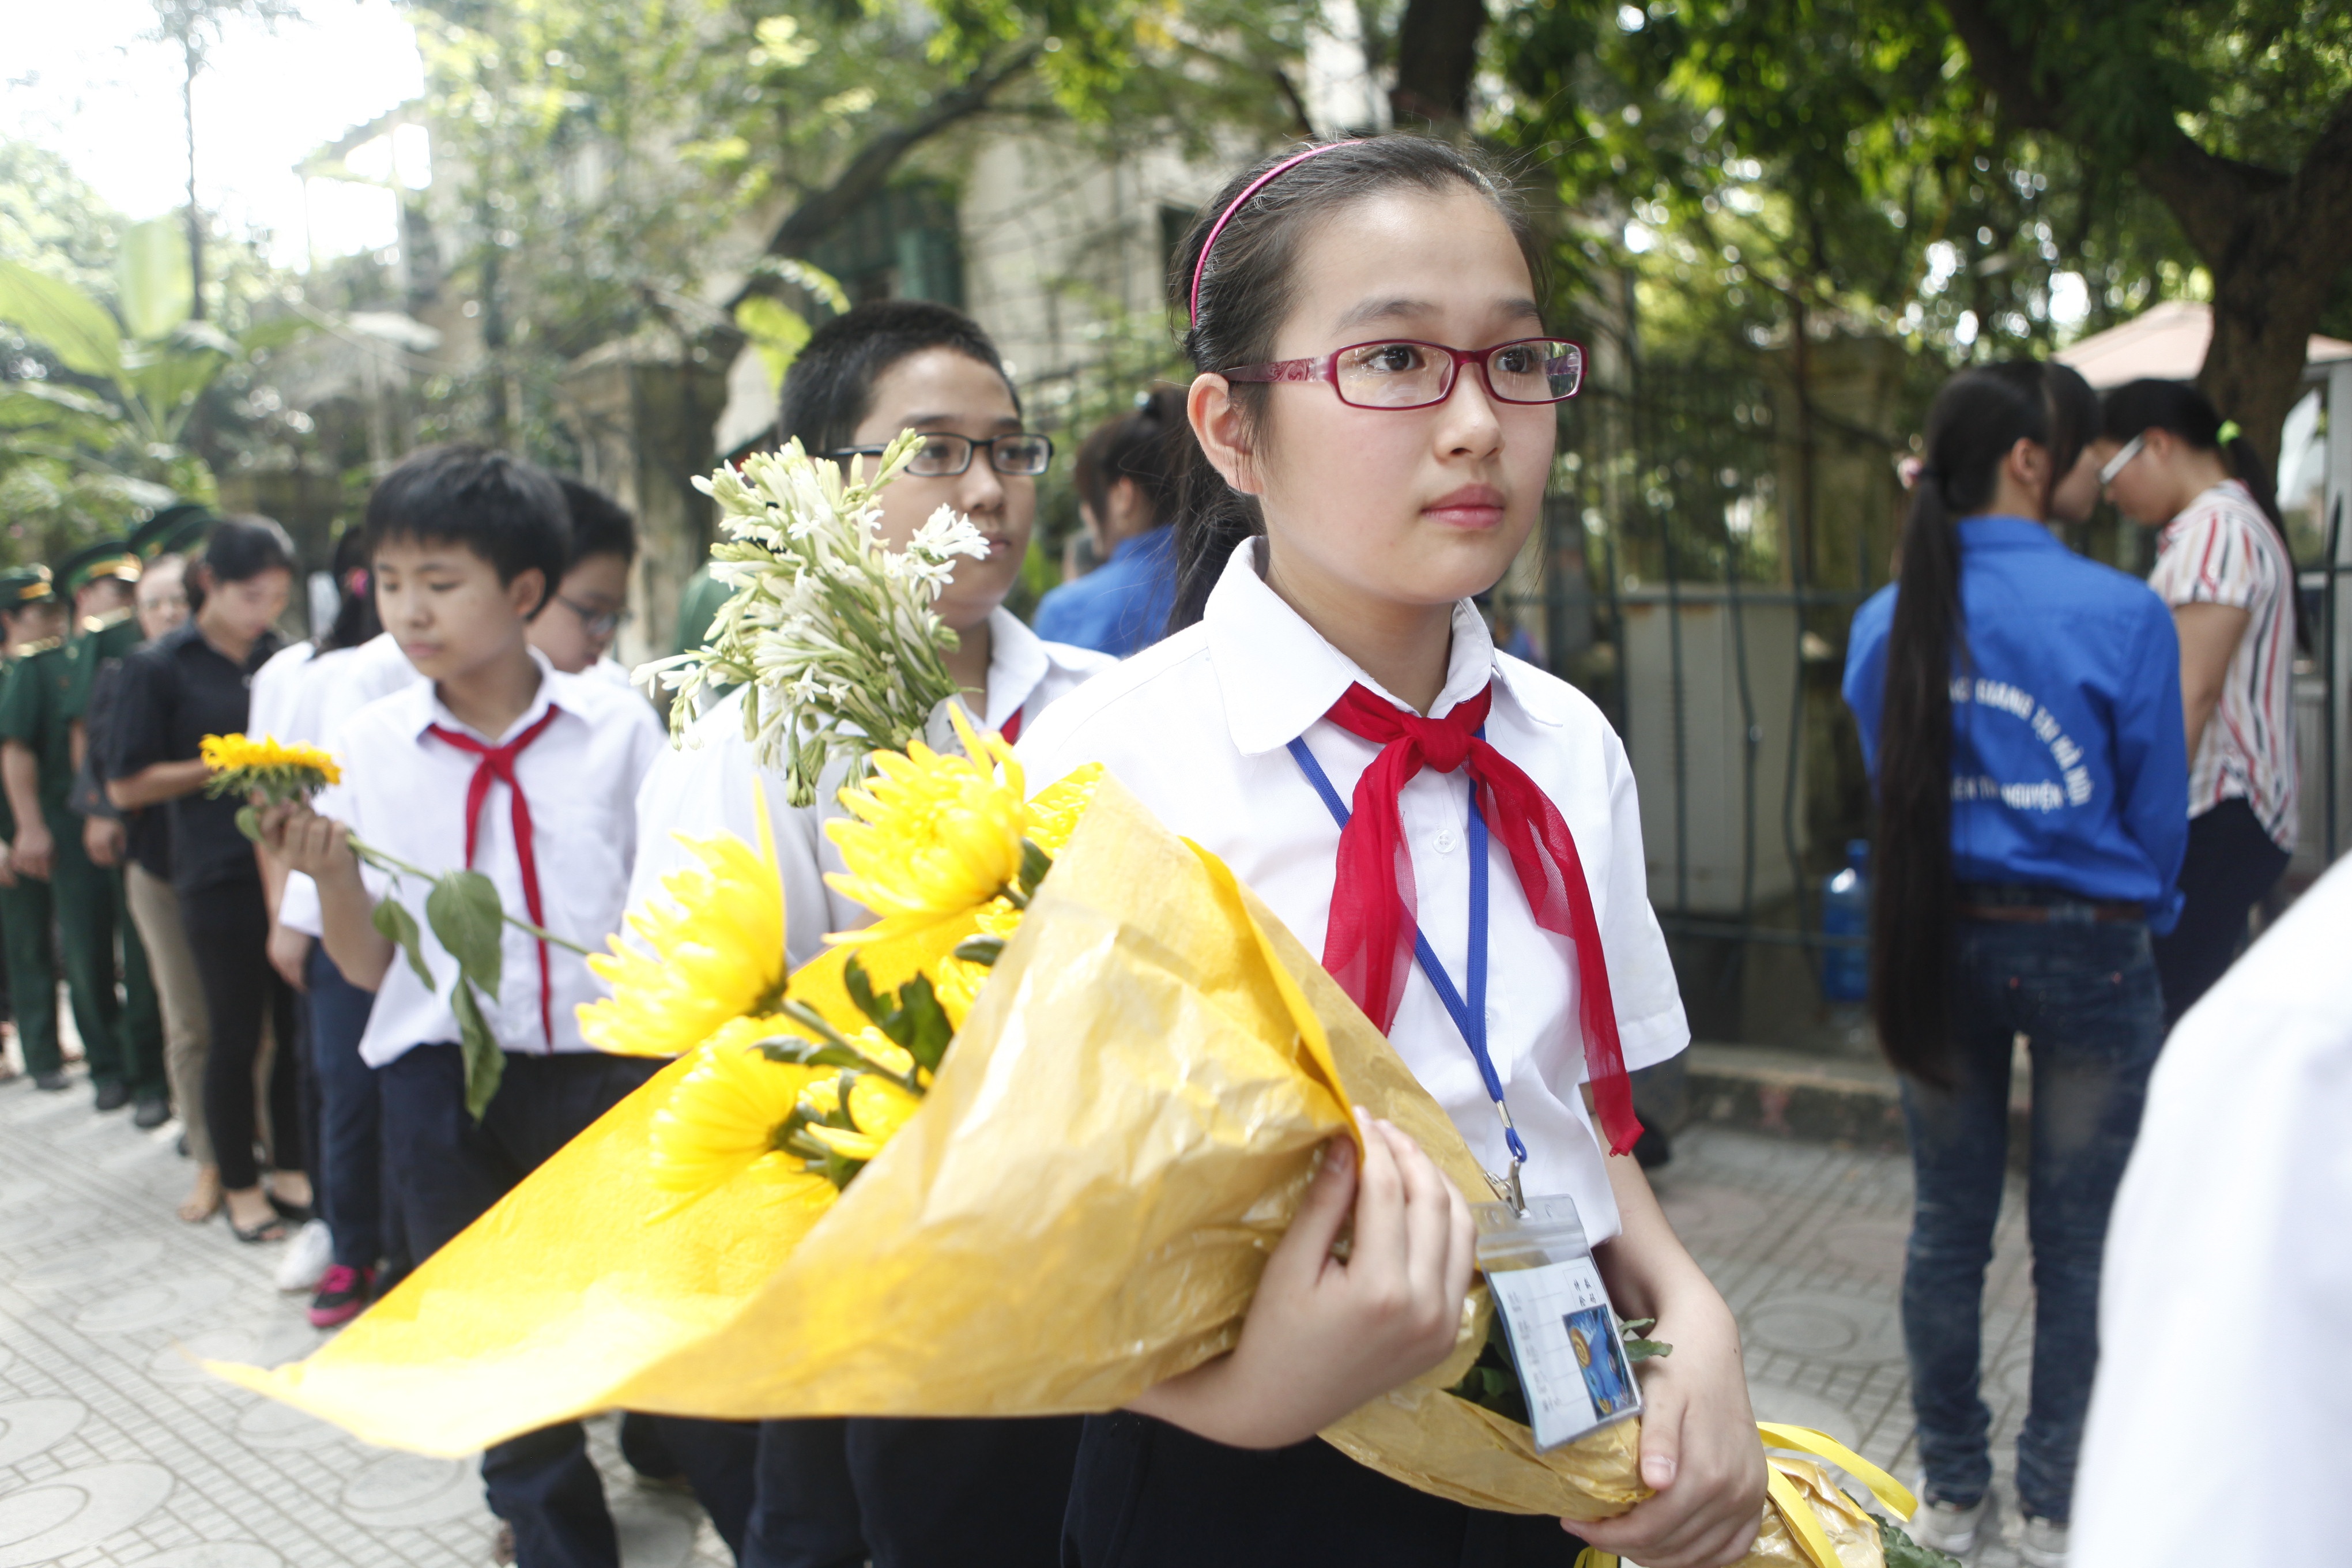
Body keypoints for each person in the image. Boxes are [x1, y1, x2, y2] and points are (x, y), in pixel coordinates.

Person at [1020, 136, 1763, 1568]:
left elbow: (1571, 1120)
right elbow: (1028, 1243)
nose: (1477, 421)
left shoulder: (1566, 747)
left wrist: (1692, 1311)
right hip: (1227, 1487)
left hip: (1542, 1440)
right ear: (1232, 430)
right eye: (1396, 363)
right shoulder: (1096, 771)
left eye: (1513, 359)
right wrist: (1241, 1401)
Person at [624, 297, 1113, 1568]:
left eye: (1010, 449)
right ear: (821, 486)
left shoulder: (1114, 708)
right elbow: (711, 1051)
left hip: (1110, 1279)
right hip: (874, 1311)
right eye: (934, 450)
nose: (991, 488)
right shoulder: (752, 743)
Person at [261, 444, 741, 1568]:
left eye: (440, 581)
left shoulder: (619, 727)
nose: (408, 610)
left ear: (525, 593)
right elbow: (372, 969)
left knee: (649, 1297)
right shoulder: (367, 748)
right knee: (492, 1321)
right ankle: (554, 1529)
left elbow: (671, 905)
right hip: (442, 1074)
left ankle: (720, 1480)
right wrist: (329, 877)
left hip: (605, 1064)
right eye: (388, 581)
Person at [1842, 363, 2187, 1567]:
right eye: (2085, 452)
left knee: (1948, 1230)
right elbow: (2157, 819)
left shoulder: (1889, 622)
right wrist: (2146, 912)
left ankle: (1949, 1494)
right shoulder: (2121, 610)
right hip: (2090, 954)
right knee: (2080, 1243)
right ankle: (2048, 1509)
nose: (2096, 471)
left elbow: (1888, 793)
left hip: (1936, 946)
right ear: (2030, 461)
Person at [2067, 855, 2351, 1568]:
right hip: (2095, 923)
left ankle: (1956, 1489)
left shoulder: (2294, 1019)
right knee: (2065, 1234)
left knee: (1969, 1227)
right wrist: (2157, 898)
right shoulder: (2299, 1027)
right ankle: (2035, 1496)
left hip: (1975, 918)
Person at [107, 519, 313, 1245]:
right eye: (251, 594)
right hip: (210, 870)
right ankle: (240, 1182)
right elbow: (128, 783)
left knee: (292, 1030)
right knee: (232, 1031)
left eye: (277, 596)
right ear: (211, 586)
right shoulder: (159, 668)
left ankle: (292, 1167)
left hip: (285, 867)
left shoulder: (282, 659)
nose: (264, 610)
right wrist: (230, 765)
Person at [2091, 379, 2301, 1027]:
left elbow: (2191, 692)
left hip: (2216, 806)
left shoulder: (2216, 531)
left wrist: (2140, 823)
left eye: (2110, 470)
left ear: (2155, 446)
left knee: (2166, 1017)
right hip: (2225, 810)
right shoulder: (2221, 526)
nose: (2107, 493)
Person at [255, 530, 407, 1324]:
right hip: (329, 905)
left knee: (409, 1097)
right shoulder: (306, 672)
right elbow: (276, 801)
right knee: (342, 1088)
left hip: (415, 912)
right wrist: (287, 915)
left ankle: (401, 1248)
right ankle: (348, 1242)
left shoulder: (412, 662)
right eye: (389, 577)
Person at [1, 538, 167, 1118]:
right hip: (69, 826)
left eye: (129, 589)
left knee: (142, 950)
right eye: (111, 591)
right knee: (86, 947)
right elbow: (18, 751)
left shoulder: (125, 642)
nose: (122, 600)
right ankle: (108, 1067)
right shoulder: (41, 667)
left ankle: (145, 1070)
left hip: (131, 823)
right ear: (85, 595)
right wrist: (28, 826)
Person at [103, 551, 225, 1217]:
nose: (171, 612)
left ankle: (252, 1144)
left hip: (230, 869)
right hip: (161, 871)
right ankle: (209, 1157)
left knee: (248, 1024)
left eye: (179, 599)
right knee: (191, 1023)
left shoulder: (226, 668)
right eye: (155, 604)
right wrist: (221, 764)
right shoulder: (129, 677)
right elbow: (113, 779)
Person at [1032, 385, 1188, 655]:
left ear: (1122, 497)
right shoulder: (1253, 573)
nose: (1086, 514)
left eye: (1089, 499)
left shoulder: (1068, 612)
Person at [0, 567, 69, 1091]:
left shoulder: (50, 669)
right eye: (38, 614)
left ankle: (51, 1042)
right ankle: (39, 1052)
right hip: (9, 833)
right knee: (23, 943)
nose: (52, 621)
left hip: (49, 825)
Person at [529, 478, 639, 687]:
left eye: (614, 616)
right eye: (592, 611)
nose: (605, 634)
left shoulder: (615, 707)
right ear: (526, 593)